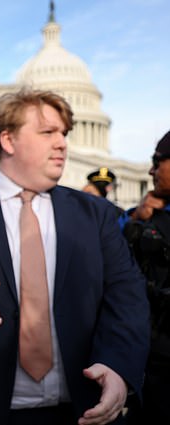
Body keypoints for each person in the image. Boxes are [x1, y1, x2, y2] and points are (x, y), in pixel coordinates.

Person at [0, 88, 149, 425]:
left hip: (81, 408)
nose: (62, 143)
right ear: (8, 140)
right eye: (47, 132)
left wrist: (118, 367)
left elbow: (127, 298)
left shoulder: (95, 214)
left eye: (64, 133)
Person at [120, 129, 170, 424]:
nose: (151, 170)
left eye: (158, 161)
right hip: (156, 359)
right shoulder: (141, 218)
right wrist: (135, 223)